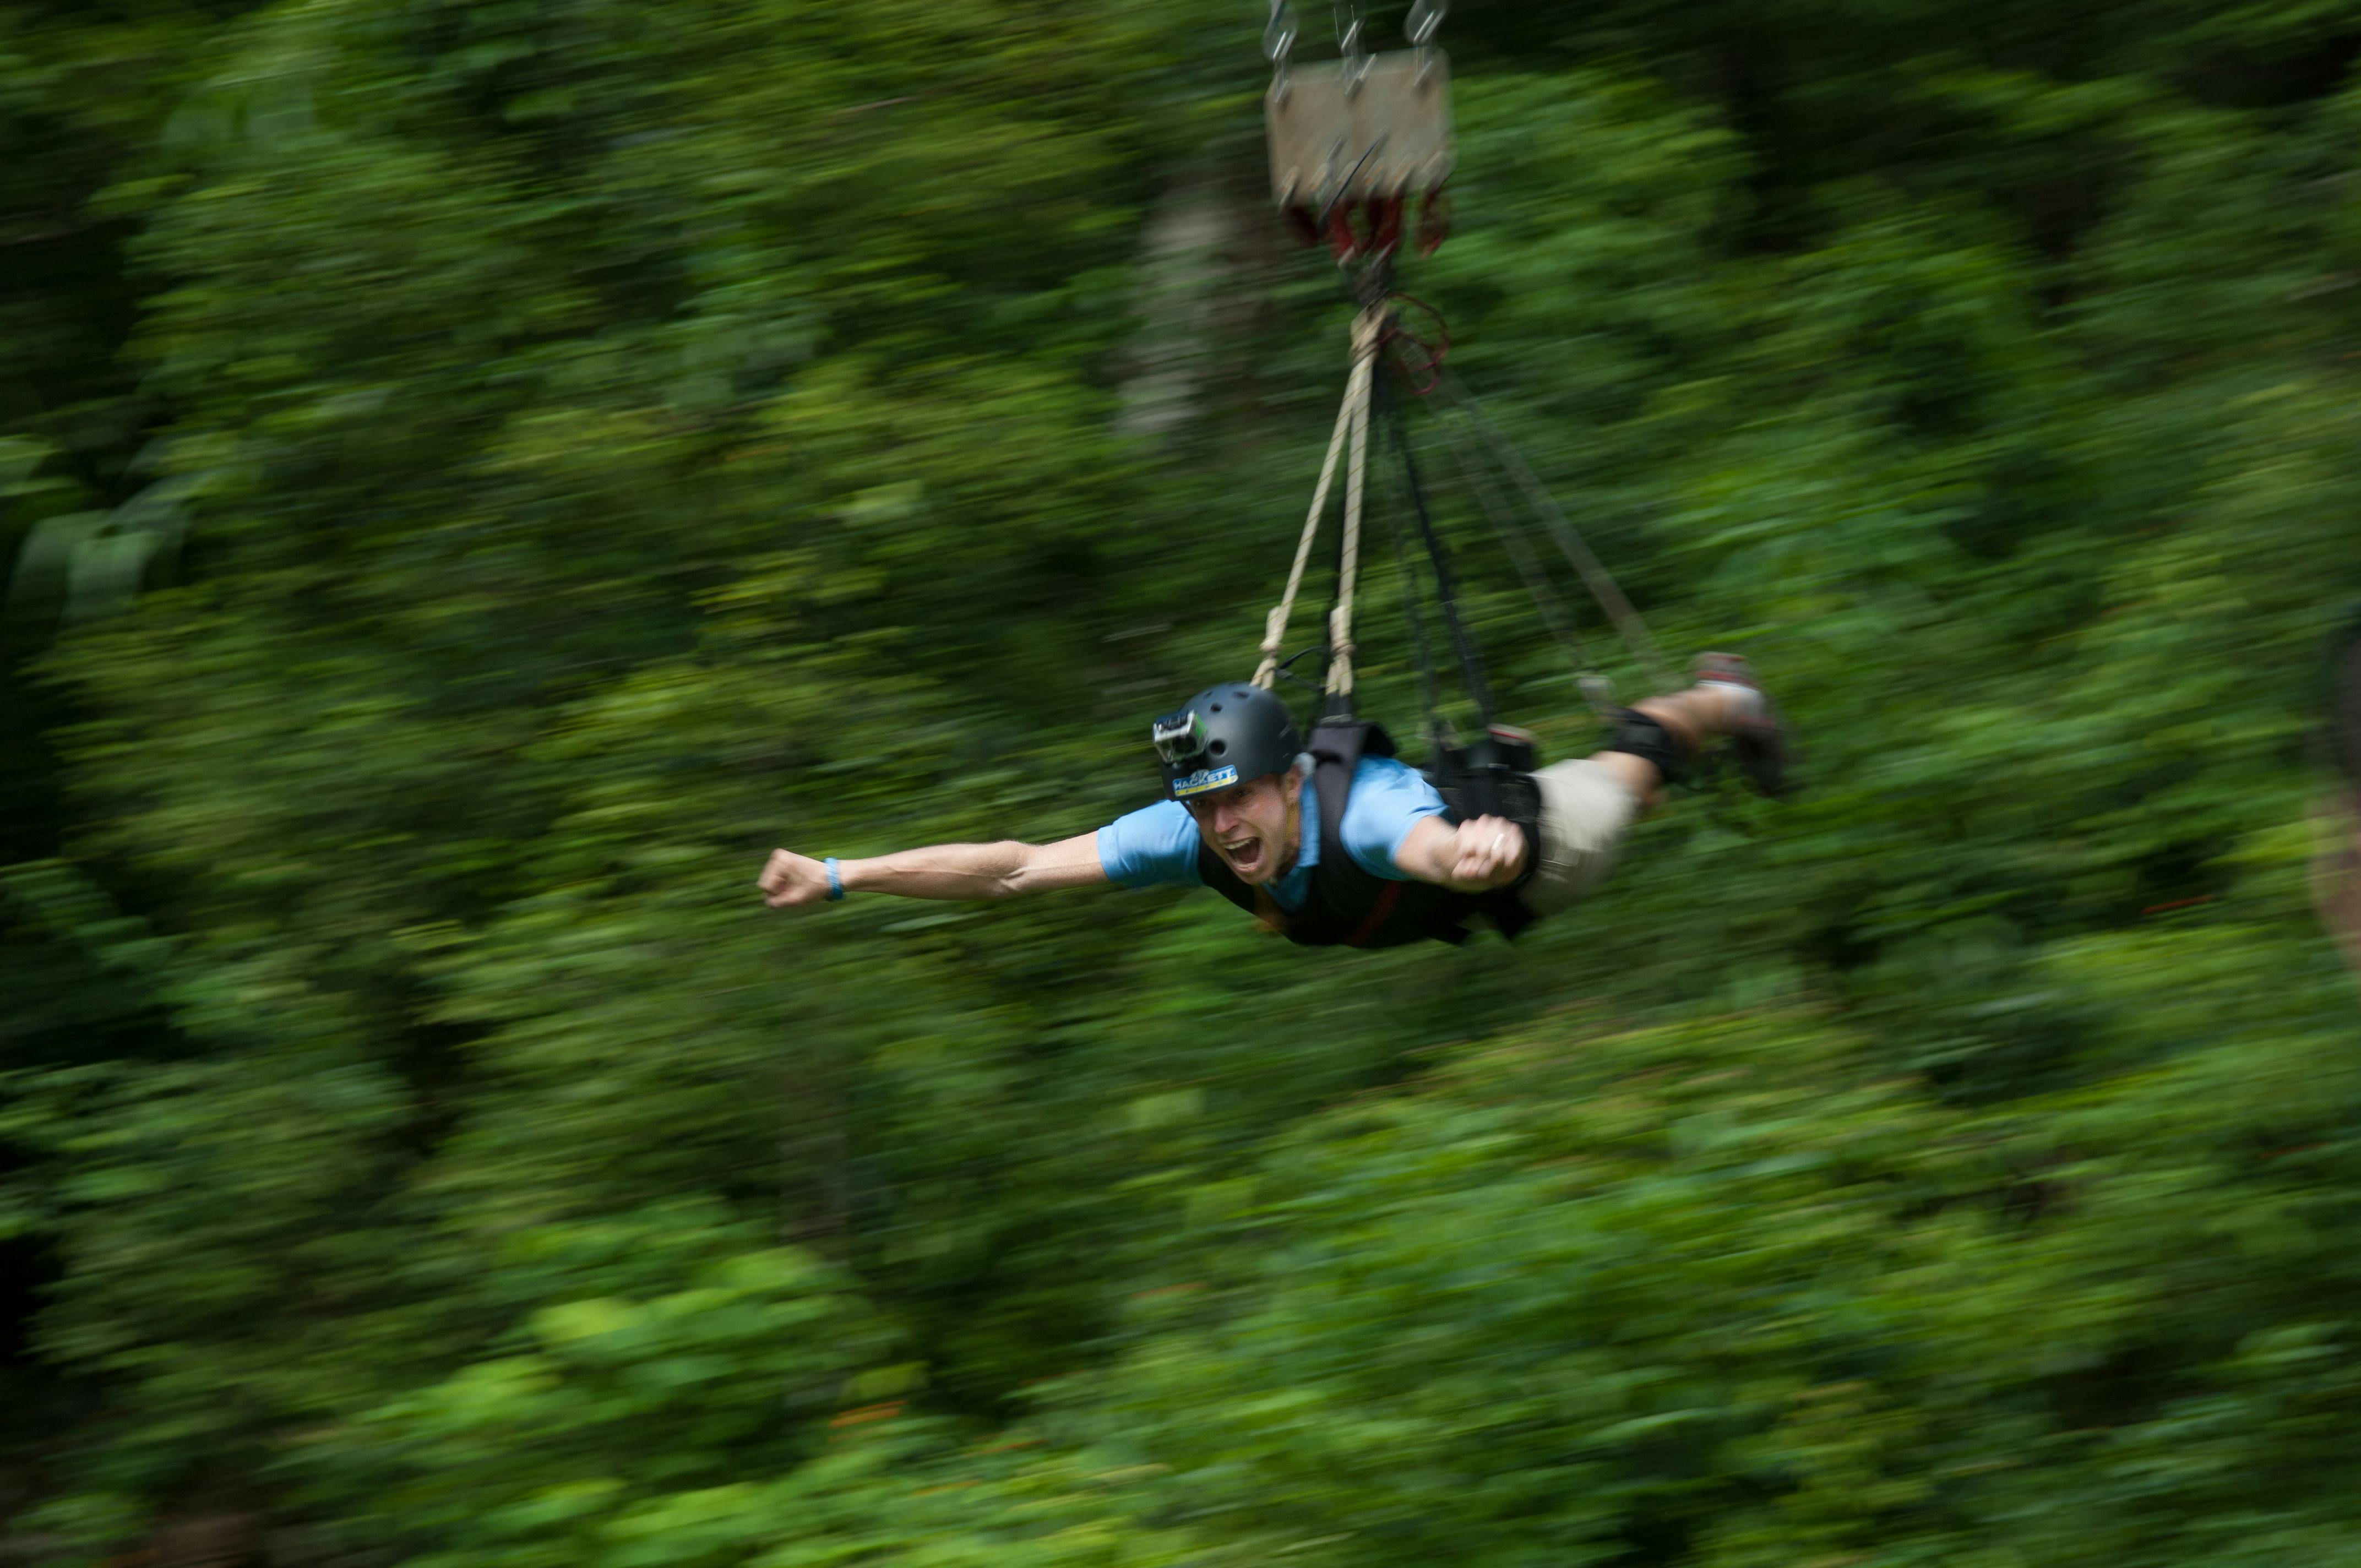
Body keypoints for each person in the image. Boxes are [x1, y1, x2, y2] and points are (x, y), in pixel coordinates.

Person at [757, 655, 1792, 948]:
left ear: (1291, 781)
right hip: (1460, 847)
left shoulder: (1369, 813)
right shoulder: (1191, 833)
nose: (1222, 827)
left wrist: (1478, 857)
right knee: (1618, 767)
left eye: (1240, 798)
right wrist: (843, 875)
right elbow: (1016, 870)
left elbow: (1430, 852)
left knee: (1630, 771)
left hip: (1543, 854)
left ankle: (1726, 699)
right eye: (1202, 806)